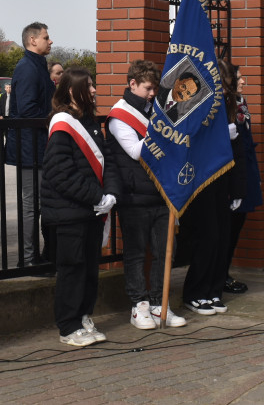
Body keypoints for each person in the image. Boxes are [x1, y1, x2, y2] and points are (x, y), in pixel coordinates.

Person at [106, 59, 186, 330]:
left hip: (161, 192)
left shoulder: (155, 110)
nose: (153, 94)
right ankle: (138, 305)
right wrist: (165, 130)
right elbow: (138, 151)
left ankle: (159, 302)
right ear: (132, 84)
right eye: (148, 89)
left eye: (154, 89)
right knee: (137, 253)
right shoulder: (119, 116)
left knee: (165, 252)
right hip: (134, 195)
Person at [43, 67, 118, 346]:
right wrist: (96, 197)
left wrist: (110, 193)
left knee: (89, 269)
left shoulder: (88, 121)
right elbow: (60, 172)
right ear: (72, 91)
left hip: (91, 211)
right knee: (72, 269)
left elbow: (106, 161)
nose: (94, 90)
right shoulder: (62, 123)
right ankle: (68, 326)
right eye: (88, 86)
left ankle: (84, 315)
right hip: (70, 213)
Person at [182, 60, 245, 315]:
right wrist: (220, 135)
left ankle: (213, 291)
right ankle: (195, 292)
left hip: (223, 178)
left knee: (221, 238)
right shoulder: (199, 101)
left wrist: (238, 188)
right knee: (206, 238)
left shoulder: (230, 103)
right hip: (203, 178)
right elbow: (190, 136)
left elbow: (239, 151)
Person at [7, 22, 56, 267]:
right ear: (33, 40)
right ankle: (28, 259)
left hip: (37, 146)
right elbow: (27, 110)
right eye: (46, 37)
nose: (51, 41)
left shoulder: (36, 66)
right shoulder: (27, 68)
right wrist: (54, 117)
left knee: (39, 204)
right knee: (30, 205)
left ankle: (39, 256)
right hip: (30, 148)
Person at [225, 66, 263, 295]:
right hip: (233, 174)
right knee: (228, 228)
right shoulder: (226, 106)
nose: (242, 81)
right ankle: (221, 275)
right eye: (238, 78)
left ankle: (224, 272)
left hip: (246, 169)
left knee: (237, 226)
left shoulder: (240, 102)